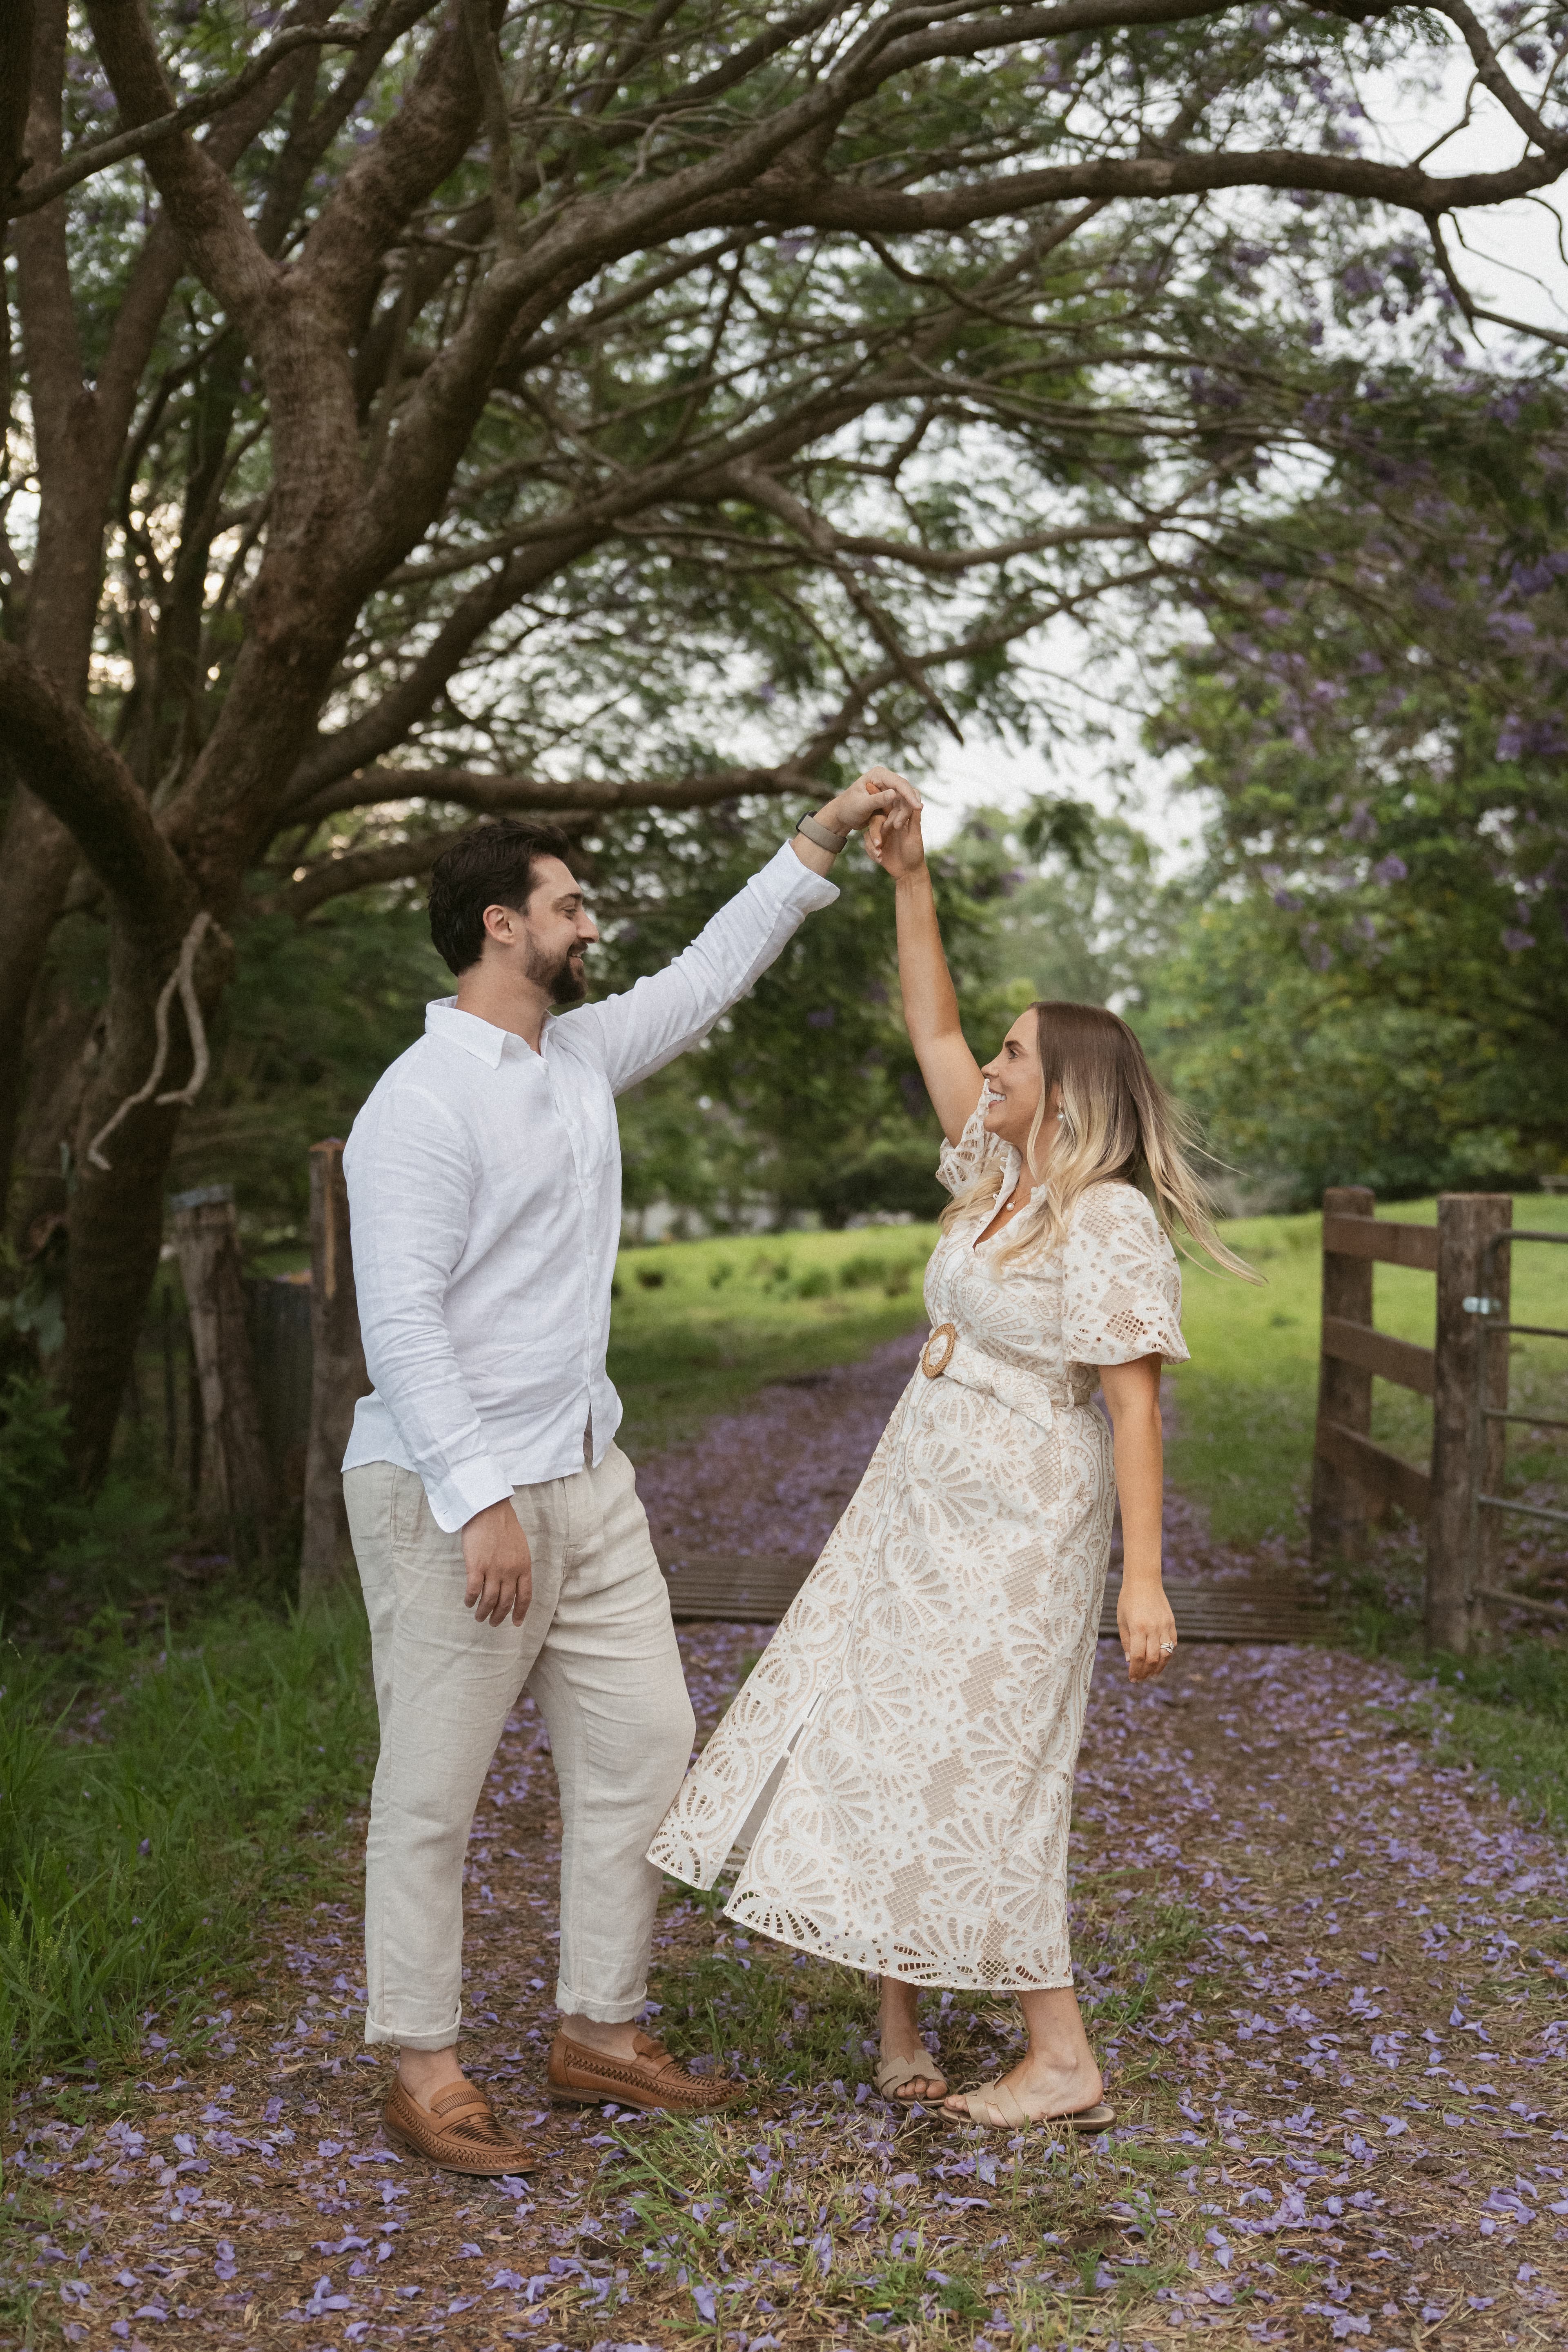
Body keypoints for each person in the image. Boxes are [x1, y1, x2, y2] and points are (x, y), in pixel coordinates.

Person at [649, 766, 1255, 2130]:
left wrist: (1142, 1580)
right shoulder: (994, 1175)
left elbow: (1134, 1407)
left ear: (1069, 1088)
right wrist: (910, 879)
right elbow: (930, 1024)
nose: (992, 1066)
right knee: (890, 1728)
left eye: (1016, 1055)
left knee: (987, 1760)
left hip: (1027, 1524)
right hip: (917, 1503)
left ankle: (1062, 2057)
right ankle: (898, 2013)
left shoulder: (1106, 1217)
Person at [340, 780, 918, 2175]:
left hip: (590, 1480)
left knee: (646, 1746)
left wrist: (822, 837)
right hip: (452, 1493)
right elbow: (400, 1326)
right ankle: (421, 2065)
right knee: (432, 1790)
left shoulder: (580, 1057)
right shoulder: (417, 1104)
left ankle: (599, 2028)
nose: (588, 925)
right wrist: (479, 1499)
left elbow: (713, 971)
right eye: (568, 906)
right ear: (500, 925)